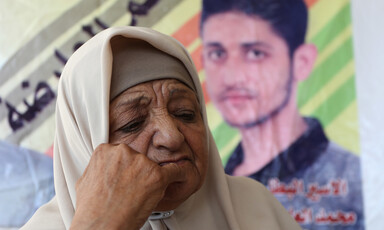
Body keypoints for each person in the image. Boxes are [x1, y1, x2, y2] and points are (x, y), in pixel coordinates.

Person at [20, 26, 301, 230]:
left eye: (185, 113)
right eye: (133, 123)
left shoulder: (255, 208)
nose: (172, 136)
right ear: (85, 141)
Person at [200, 0, 364, 229]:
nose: (231, 77)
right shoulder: (205, 190)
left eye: (255, 53)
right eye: (217, 54)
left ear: (301, 62)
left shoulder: (358, 185)